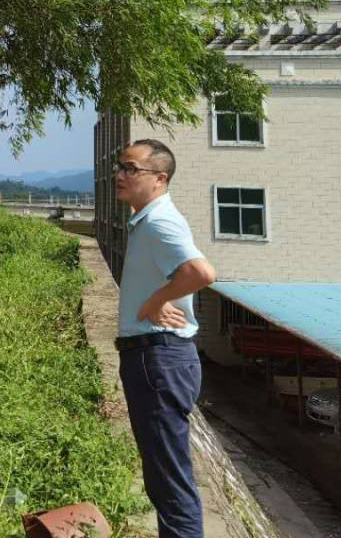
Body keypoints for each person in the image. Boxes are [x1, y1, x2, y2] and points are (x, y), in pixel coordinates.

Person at [113, 138, 217, 538]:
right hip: (156, 359)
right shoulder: (148, 220)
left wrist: (155, 302)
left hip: (158, 359)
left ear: (159, 178)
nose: (120, 175)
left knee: (170, 484)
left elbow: (201, 273)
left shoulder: (160, 222)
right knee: (163, 479)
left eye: (130, 169)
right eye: (120, 167)